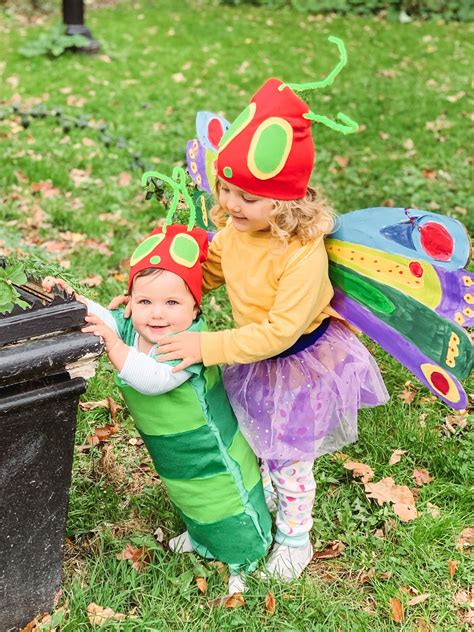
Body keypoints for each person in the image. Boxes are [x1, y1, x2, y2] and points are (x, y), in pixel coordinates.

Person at [147, 77, 390, 580]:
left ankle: (295, 540)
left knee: (289, 459)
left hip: (299, 363)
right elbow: (205, 275)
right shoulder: (236, 232)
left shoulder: (301, 254)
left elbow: (279, 331)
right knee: (245, 443)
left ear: (286, 203)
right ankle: (244, 516)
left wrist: (205, 344)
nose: (232, 205)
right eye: (227, 190)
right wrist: (156, 295)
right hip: (251, 355)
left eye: (249, 198)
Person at [42, 223, 272, 595]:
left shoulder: (186, 345)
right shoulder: (136, 331)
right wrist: (74, 300)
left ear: (195, 306)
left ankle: (246, 555)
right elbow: (103, 317)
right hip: (174, 452)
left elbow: (153, 379)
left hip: (210, 454)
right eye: (145, 302)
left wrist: (113, 345)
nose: (157, 314)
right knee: (188, 495)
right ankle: (203, 538)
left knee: (224, 501)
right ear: (130, 302)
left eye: (172, 303)